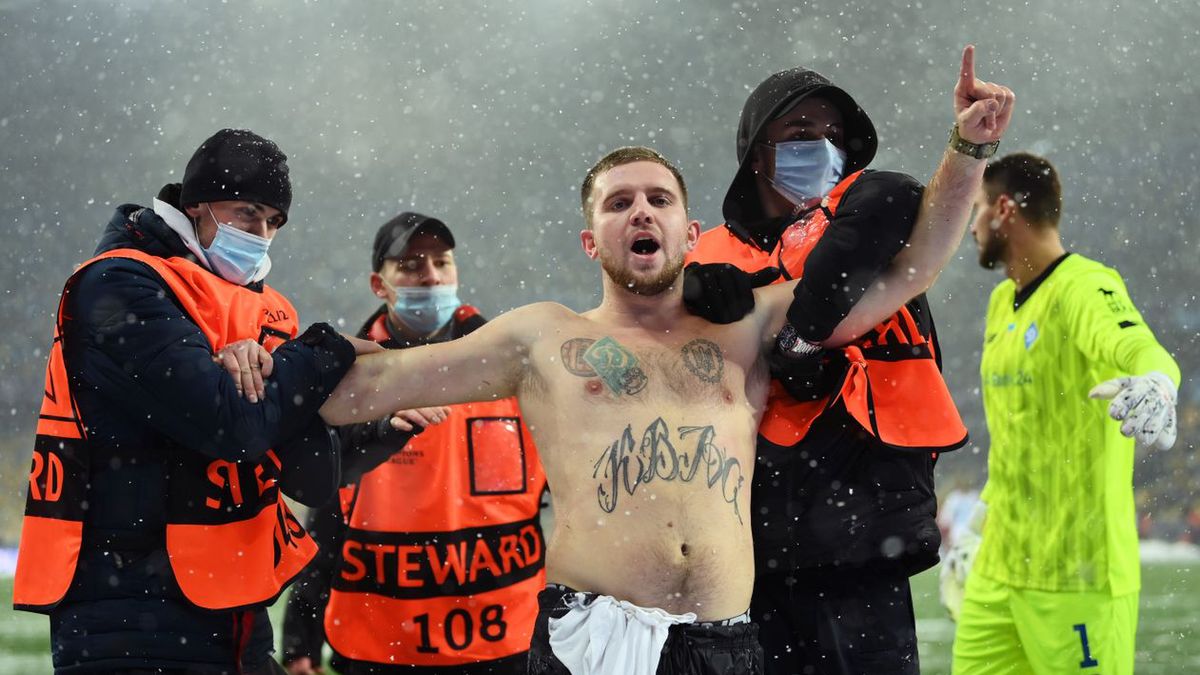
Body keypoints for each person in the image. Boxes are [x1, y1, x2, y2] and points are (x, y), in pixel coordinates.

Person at [320, 52, 1008, 672]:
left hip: (724, 639)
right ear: (592, 242)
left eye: (659, 200)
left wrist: (971, 144)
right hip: (592, 636)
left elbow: (916, 261)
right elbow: (376, 380)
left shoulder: (749, 324)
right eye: (619, 203)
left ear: (691, 232)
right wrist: (273, 363)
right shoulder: (542, 338)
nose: (640, 212)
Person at [682, 46, 1013, 674]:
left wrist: (969, 147)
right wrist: (684, 291)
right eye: (799, 132)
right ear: (758, 152)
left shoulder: (876, 227)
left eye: (832, 134)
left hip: (863, 542)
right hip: (748, 549)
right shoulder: (706, 258)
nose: (821, 145)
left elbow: (934, 219)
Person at [13, 128, 358, 675]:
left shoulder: (260, 306)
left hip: (229, 606)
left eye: (274, 221)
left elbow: (306, 475)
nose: (262, 234)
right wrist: (321, 352)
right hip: (130, 611)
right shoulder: (118, 282)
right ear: (196, 205)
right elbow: (233, 426)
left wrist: (385, 426)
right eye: (247, 212)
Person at [281, 212, 548, 675]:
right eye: (410, 264)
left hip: (505, 643)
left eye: (442, 262)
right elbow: (326, 516)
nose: (430, 276)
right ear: (378, 284)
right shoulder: (344, 380)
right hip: (379, 649)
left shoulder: (516, 369)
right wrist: (301, 635)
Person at [948, 152, 1180, 675]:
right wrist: (978, 529)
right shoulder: (1000, 304)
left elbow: (1141, 349)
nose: (972, 226)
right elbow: (1016, 438)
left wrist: (1159, 384)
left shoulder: (1085, 286)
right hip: (998, 573)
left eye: (979, 208)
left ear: (1005, 209)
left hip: (1078, 579)